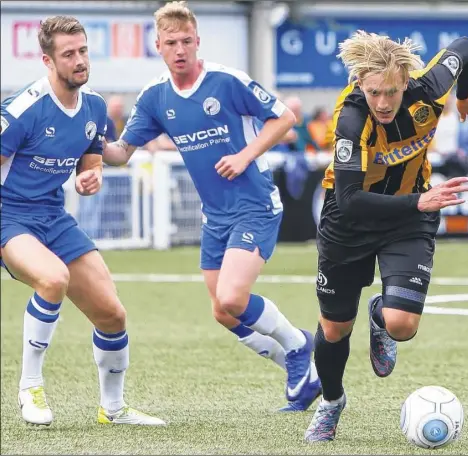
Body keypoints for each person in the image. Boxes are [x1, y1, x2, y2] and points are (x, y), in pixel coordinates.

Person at [102, 1, 322, 412]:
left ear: (198, 41)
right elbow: (120, 153)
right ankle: (304, 377)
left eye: (187, 41)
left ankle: (298, 345)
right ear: (159, 46)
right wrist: (91, 138)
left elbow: (285, 118)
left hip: (255, 203)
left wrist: (244, 156)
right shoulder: (155, 97)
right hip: (214, 214)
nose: (180, 49)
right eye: (171, 42)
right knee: (223, 311)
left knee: (233, 297)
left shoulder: (226, 81)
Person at [305, 30, 468, 442]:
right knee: (334, 329)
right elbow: (349, 200)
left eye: (390, 92)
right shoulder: (351, 118)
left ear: (406, 80)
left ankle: (382, 315)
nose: (382, 103)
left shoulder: (432, 86)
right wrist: (420, 204)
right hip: (349, 221)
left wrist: (465, 94)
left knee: (402, 325)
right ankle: (331, 402)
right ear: (359, 84)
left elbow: (465, 48)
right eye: (372, 93)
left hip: (408, 215)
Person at [0, 16, 165, 426]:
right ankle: (29, 387)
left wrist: (92, 176)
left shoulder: (93, 104)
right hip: (10, 217)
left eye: (84, 51)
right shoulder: (21, 110)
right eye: (69, 54)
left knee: (112, 314)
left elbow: (90, 158)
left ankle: (113, 409)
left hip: (54, 218)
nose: (79, 60)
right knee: (53, 279)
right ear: (47, 60)